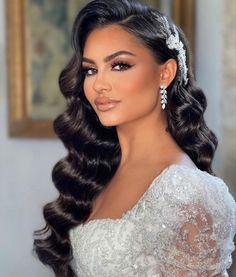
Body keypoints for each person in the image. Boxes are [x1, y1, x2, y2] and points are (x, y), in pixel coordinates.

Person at [33, 0, 236, 276]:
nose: (99, 84)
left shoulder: (188, 192)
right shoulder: (101, 171)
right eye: (91, 69)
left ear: (165, 73)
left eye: (119, 65)